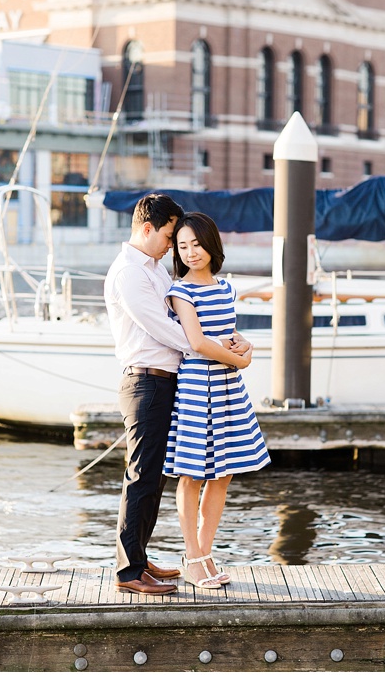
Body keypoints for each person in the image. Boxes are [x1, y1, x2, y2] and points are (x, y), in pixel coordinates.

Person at [104, 193, 251, 595]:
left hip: (169, 379)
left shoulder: (153, 269)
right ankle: (129, 572)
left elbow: (198, 323)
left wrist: (230, 342)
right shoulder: (129, 274)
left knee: (154, 477)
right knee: (142, 476)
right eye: (170, 236)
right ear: (148, 228)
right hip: (146, 381)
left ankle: (139, 557)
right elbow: (168, 329)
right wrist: (225, 354)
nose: (174, 246)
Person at [164, 212, 271, 589]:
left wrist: (247, 344)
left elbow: (228, 332)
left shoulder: (226, 288)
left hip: (227, 386)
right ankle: (192, 558)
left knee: (222, 473)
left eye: (196, 244)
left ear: (211, 244)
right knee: (192, 473)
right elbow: (196, 342)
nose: (191, 252)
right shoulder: (181, 292)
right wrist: (241, 359)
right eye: (183, 246)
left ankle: (206, 554)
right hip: (197, 386)